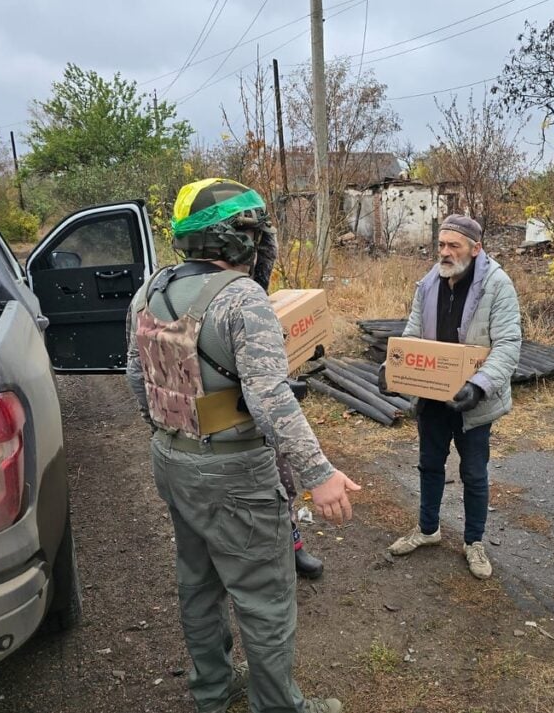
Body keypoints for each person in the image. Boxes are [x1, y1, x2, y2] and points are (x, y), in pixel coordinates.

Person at [126, 177, 359, 713]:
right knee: (265, 600)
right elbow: (270, 396)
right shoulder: (242, 298)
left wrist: (174, 433)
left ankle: (211, 690)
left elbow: (136, 379)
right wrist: (319, 474)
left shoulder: (150, 290)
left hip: (172, 459)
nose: (262, 244)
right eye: (257, 233)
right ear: (238, 238)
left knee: (198, 581)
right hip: (234, 475)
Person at [378, 214, 521, 579]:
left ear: (476, 249)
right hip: (432, 398)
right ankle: (428, 530)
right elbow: (412, 332)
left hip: (473, 401)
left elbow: (508, 343)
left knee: (474, 473)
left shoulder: (497, 285)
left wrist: (480, 384)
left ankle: (474, 542)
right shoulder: (428, 283)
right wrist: (393, 368)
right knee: (429, 464)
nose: (444, 252)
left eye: (453, 245)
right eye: (441, 244)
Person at [252, 222, 325, 580]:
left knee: (285, 487)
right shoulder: (228, 304)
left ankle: (293, 549)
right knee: (261, 497)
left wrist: (305, 354)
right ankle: (269, 563)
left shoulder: (258, 299)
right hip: (240, 427)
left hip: (269, 427)